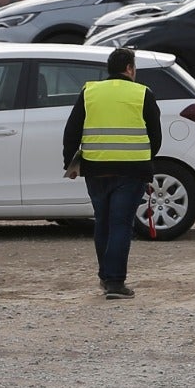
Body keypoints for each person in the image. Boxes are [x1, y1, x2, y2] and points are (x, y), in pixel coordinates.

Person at [62, 46, 161, 299]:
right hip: (131, 170)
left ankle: (106, 278)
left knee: (103, 223)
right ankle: (116, 282)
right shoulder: (142, 94)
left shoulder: (90, 91)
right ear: (129, 68)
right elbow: (155, 136)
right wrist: (145, 159)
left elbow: (72, 130)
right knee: (120, 224)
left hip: (96, 169)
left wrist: (69, 163)